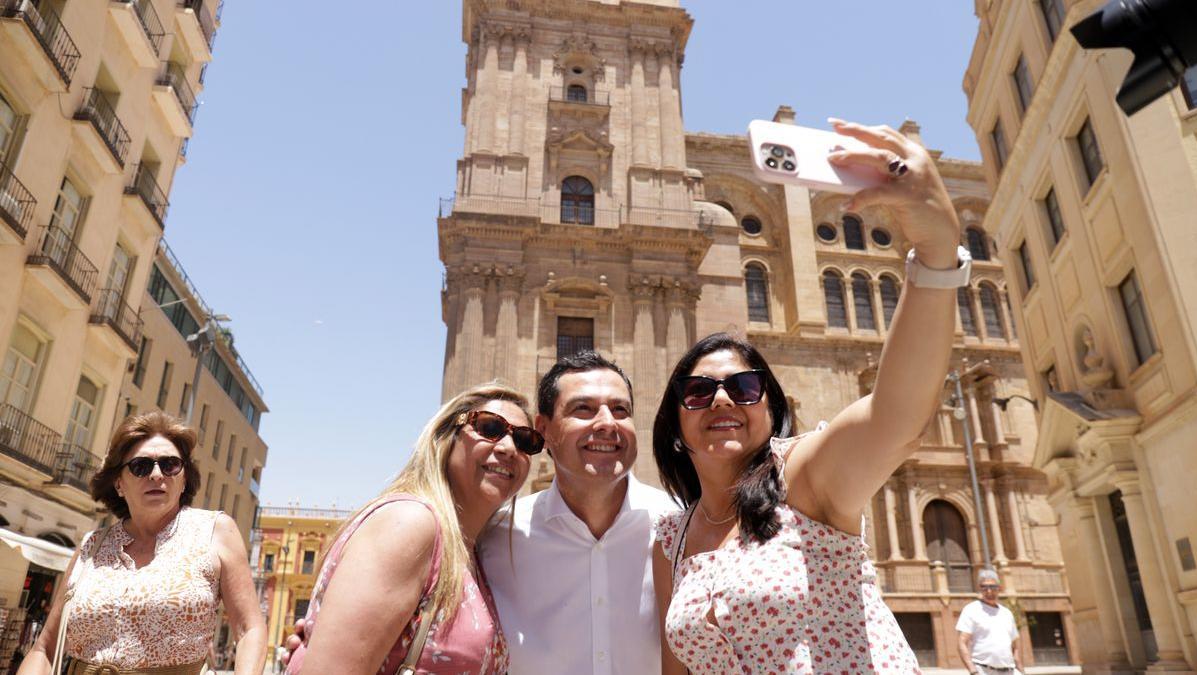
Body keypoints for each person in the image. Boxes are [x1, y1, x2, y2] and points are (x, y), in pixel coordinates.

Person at [651, 118, 969, 673]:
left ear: (770, 409)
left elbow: (896, 419)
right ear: (675, 426)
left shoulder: (803, 479)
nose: (722, 401)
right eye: (699, 392)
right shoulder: (671, 540)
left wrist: (937, 254)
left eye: (744, 387)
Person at [286, 383, 542, 675]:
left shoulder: (471, 551)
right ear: (445, 436)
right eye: (489, 427)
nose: (509, 448)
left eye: (525, 441)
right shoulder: (409, 524)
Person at [17, 411, 266, 675]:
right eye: (141, 466)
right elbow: (45, 649)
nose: (157, 474)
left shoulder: (215, 531)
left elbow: (249, 628)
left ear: (184, 479)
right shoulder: (92, 545)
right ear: (119, 484)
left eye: (170, 465)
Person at [477, 352, 679, 674]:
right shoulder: (496, 537)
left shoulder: (679, 531)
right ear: (543, 430)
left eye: (620, 410)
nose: (607, 424)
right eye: (582, 409)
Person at [957, 570, 1024, 675]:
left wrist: (1021, 670)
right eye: (984, 588)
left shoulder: (1007, 613)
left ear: (999, 588)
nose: (989, 591)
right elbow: (962, 642)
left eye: (992, 587)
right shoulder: (971, 610)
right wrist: (973, 671)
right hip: (984, 670)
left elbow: (1015, 647)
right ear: (980, 589)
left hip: (1010, 670)